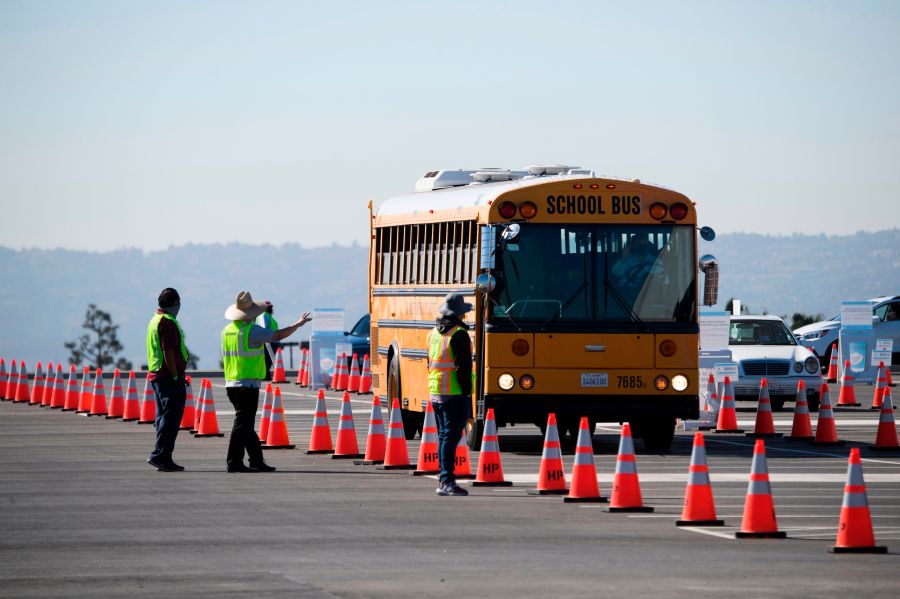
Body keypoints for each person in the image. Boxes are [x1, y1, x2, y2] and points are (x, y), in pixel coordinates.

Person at [221, 291, 311, 473]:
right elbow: (276, 336)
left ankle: (256, 460)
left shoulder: (227, 330)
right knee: (242, 425)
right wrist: (297, 325)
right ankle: (234, 462)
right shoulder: (250, 330)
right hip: (247, 384)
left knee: (246, 424)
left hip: (232, 383)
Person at [427, 293, 474, 497]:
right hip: (454, 393)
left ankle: (443, 478)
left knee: (443, 437)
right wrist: (467, 393)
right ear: (459, 315)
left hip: (436, 392)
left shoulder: (434, 333)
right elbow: (462, 368)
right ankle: (447, 480)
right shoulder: (459, 335)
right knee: (450, 438)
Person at [146, 288, 189, 472]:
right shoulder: (168, 322)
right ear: (174, 303)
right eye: (178, 302)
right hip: (167, 377)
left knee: (163, 417)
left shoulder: (155, 319)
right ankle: (160, 455)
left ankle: (164, 457)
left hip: (156, 375)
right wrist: (175, 375)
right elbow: (168, 351)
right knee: (170, 419)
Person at [257, 301, 279, 380]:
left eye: (270, 307)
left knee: (269, 359)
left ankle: (267, 375)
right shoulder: (264, 315)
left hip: (274, 341)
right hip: (269, 341)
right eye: (268, 307)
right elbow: (264, 328)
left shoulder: (269, 316)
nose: (270, 308)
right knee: (267, 359)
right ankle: (265, 375)